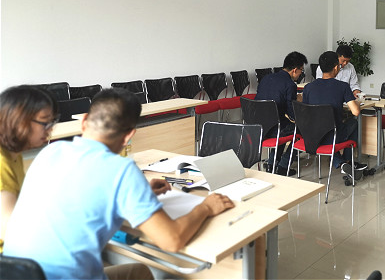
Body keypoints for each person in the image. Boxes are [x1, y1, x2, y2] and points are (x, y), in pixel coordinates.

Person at [4, 88, 234, 280]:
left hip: (16, 273)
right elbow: (171, 240)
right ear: (128, 136)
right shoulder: (121, 169)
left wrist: (139, 193)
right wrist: (206, 207)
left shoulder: (49, 152)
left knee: (139, 272)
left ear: (83, 122)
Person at [0, 86, 58, 250]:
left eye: (52, 122)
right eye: (44, 122)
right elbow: (8, 231)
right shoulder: (2, 161)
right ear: (18, 120)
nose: (50, 129)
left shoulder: (13, 154)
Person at [303, 51, 367, 174]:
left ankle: (341, 163)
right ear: (336, 67)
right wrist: (357, 103)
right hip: (333, 136)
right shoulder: (342, 86)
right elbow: (355, 112)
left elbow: (306, 110)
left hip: (312, 136)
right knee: (354, 123)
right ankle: (348, 161)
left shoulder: (308, 87)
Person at [255, 51, 307, 176]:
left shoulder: (266, 78)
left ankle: (272, 164)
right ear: (295, 70)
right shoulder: (290, 85)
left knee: (283, 124)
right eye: (301, 70)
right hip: (275, 129)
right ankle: (284, 165)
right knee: (303, 129)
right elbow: (292, 113)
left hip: (257, 128)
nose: (301, 73)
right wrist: (300, 105)